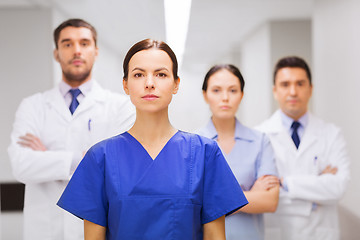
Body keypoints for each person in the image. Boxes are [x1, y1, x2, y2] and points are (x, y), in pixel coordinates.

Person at [57, 39, 248, 240]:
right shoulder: (100, 157)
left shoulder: (205, 153)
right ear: (126, 85)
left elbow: (215, 237)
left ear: (176, 84)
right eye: (139, 75)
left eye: (161, 74)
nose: (149, 83)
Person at [8, 19, 135, 240]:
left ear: (95, 51)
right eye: (67, 44)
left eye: (84, 43)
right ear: (56, 53)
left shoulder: (121, 107)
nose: (76, 50)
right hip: (44, 231)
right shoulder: (33, 106)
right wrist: (85, 158)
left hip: (97, 228)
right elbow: (21, 165)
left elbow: (118, 169)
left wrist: (47, 158)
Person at [256, 56, 350, 240]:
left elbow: (339, 187)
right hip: (278, 233)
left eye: (300, 83)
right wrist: (317, 188)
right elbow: (263, 195)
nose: (293, 91)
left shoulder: (331, 134)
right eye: (285, 84)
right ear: (275, 91)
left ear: (310, 89)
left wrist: (284, 183)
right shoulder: (259, 135)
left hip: (321, 233)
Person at [197, 64, 280, 240]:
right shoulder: (194, 143)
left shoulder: (260, 141)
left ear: (242, 95)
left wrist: (215, 197)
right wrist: (250, 195)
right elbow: (195, 205)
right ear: (205, 95)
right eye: (216, 90)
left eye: (233, 90)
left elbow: (270, 201)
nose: (225, 98)